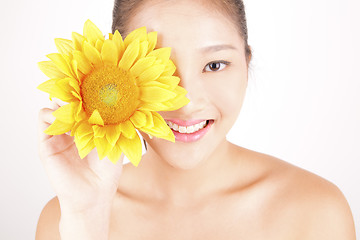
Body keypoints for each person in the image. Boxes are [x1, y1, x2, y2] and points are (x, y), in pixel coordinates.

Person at [35, 0, 356, 239]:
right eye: (160, 67)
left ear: (247, 64)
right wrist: (87, 218)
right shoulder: (66, 219)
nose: (186, 100)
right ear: (118, 72)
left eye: (215, 65)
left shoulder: (317, 213)